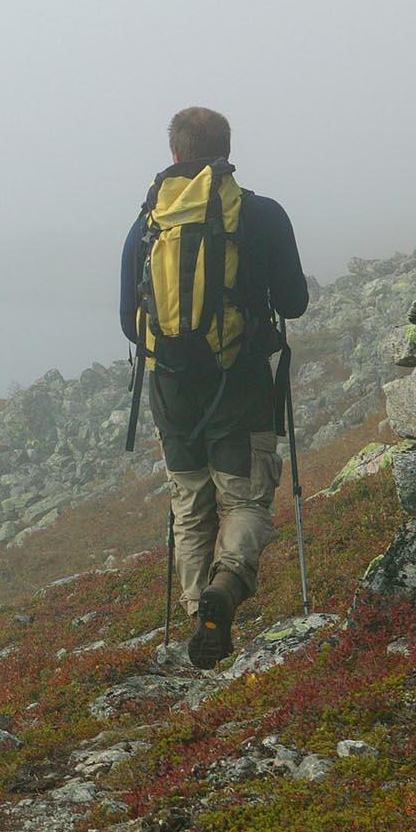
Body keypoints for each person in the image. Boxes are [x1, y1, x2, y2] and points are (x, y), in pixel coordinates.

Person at [119, 106, 308, 669]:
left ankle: (198, 612)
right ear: (226, 150)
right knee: (245, 498)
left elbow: (129, 320)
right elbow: (295, 302)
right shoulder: (261, 213)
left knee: (191, 505)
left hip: (172, 389)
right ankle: (223, 594)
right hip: (240, 381)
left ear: (175, 153)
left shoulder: (147, 222)